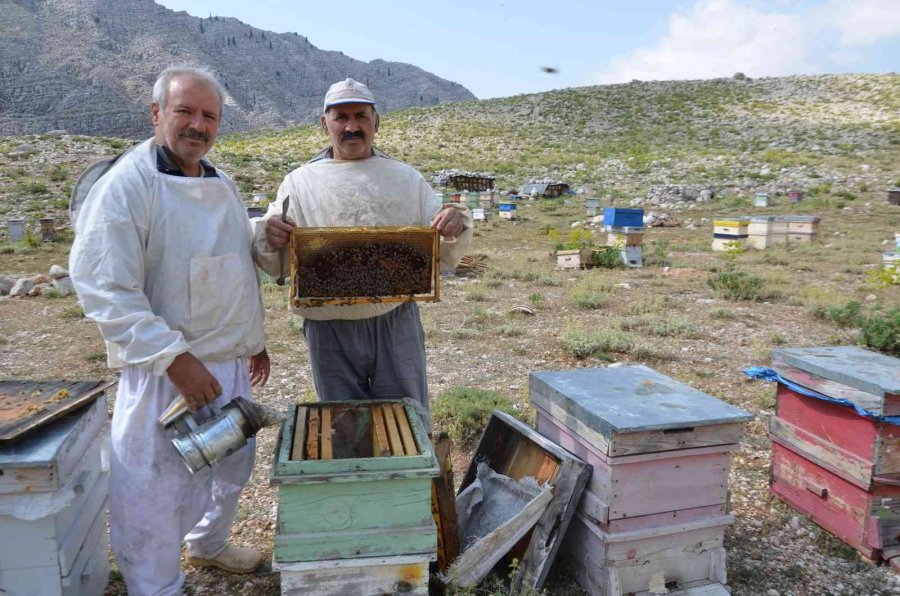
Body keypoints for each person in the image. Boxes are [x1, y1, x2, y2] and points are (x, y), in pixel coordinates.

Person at [69, 65, 270, 595]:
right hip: (165, 371)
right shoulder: (125, 186)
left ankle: (208, 543)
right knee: (151, 485)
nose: (198, 125)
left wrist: (253, 339)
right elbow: (104, 285)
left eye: (210, 115)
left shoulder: (218, 180)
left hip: (226, 360)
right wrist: (174, 359)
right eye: (185, 111)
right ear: (157, 113)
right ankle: (154, 584)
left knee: (230, 465)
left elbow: (231, 260)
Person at [256, 78, 472, 428]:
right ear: (324, 123)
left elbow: (444, 242)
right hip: (328, 327)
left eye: (360, 116)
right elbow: (273, 249)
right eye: (341, 117)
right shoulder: (299, 182)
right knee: (344, 426)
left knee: (406, 422)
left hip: (395, 319)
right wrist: (272, 232)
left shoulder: (407, 179)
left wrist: (454, 221)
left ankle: (407, 484)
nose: (351, 126)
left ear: (376, 122)